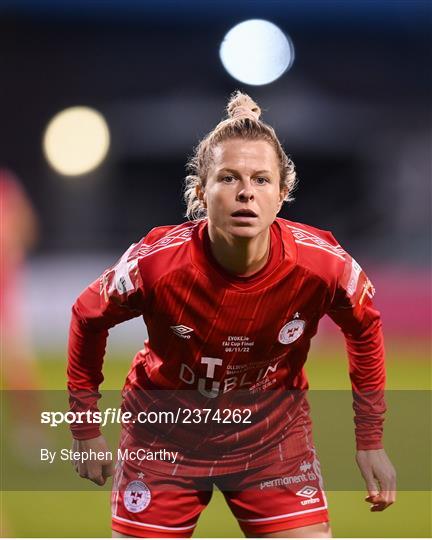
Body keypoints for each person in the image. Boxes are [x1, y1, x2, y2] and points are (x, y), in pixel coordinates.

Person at [67, 92, 396, 538]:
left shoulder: (323, 266)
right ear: (201, 193)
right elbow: (88, 315)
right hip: (164, 441)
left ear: (282, 194)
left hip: (271, 444)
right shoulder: (157, 264)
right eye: (229, 178)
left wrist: (371, 440)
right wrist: (85, 427)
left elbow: (365, 327)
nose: (246, 192)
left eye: (262, 180)